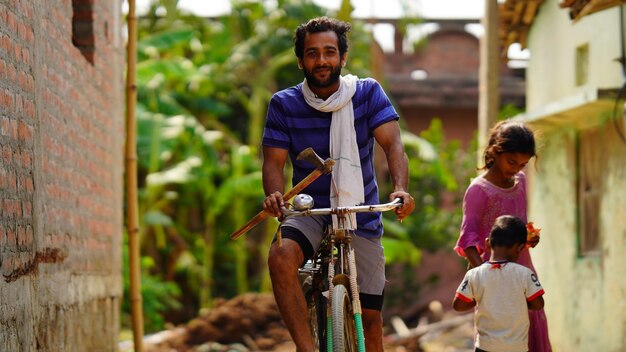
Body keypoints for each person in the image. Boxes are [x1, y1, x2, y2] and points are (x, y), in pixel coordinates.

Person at [261, 16, 415, 352]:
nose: (321, 60)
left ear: (342, 58)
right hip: (309, 209)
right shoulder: (283, 104)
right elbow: (273, 162)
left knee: (371, 321)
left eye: (329, 52)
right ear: (301, 60)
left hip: (360, 209)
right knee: (281, 257)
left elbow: (393, 145)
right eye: (312, 53)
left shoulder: (368, 93)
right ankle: (305, 347)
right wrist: (274, 194)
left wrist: (401, 189)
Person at [454, 120, 552, 351]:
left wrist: (528, 238)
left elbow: (518, 226)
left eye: (523, 164)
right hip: (493, 280)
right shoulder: (479, 190)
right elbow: (468, 242)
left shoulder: (521, 183)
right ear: (495, 152)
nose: (516, 169)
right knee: (496, 339)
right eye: (511, 162)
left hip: (523, 273)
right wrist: (486, 282)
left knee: (530, 327)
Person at [453, 215, 545, 352]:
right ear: (520, 248)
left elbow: (458, 305)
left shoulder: (474, 274)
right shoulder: (524, 274)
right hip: (517, 348)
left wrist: (481, 299)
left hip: (485, 347)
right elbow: (538, 304)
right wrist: (516, 300)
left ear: (488, 243)